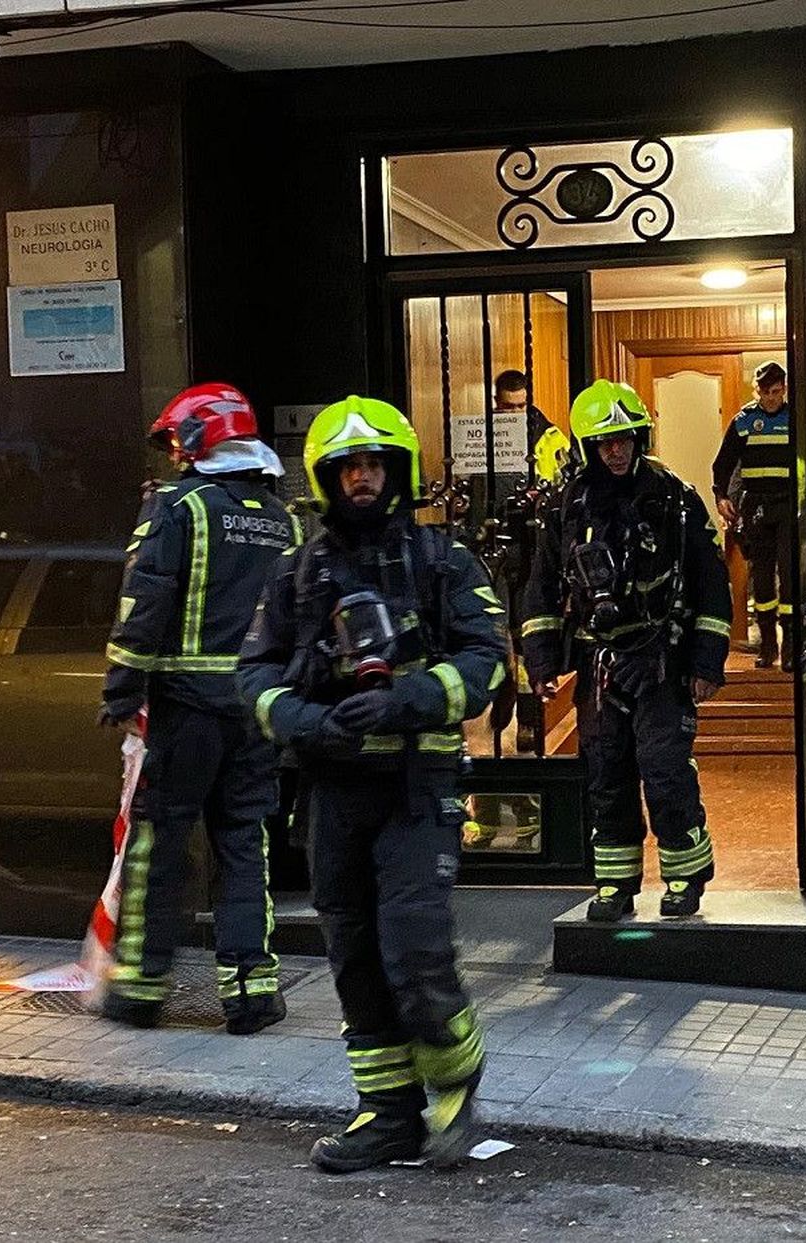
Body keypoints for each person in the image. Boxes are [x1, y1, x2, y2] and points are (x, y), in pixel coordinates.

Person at [238, 396, 509, 1171]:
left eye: (375, 464)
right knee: (353, 958)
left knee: (415, 951)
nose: (362, 477)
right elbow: (253, 674)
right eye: (349, 466)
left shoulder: (443, 560)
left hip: (416, 788)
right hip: (332, 792)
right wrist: (303, 721)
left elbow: (487, 658)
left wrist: (410, 697)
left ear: (398, 472)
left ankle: (454, 1086)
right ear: (326, 477)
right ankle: (387, 1114)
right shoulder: (294, 574)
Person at [98, 382, 297, 1035]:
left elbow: (144, 601)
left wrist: (122, 688)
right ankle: (251, 994)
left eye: (177, 444)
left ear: (198, 438)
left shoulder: (178, 507)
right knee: (245, 844)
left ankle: (141, 988)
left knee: (160, 845)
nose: (173, 457)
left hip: (185, 710)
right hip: (256, 712)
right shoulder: (283, 518)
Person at [519, 379, 732, 921]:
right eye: (605, 442)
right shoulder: (566, 506)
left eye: (625, 439)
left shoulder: (676, 499)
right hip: (600, 664)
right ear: (588, 446)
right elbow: (541, 584)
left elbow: (711, 583)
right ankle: (615, 885)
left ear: (639, 438)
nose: (617, 451)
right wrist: (542, 660)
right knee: (607, 773)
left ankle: (685, 877)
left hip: (664, 658)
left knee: (665, 770)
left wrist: (707, 663)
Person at [711, 361, 794, 670]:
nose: (770, 398)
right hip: (756, 506)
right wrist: (720, 497)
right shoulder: (745, 420)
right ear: (756, 390)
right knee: (761, 579)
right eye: (764, 392)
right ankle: (768, 647)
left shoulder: (793, 417)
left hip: (786, 504)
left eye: (775, 392)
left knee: (788, 576)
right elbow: (722, 465)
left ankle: (790, 649)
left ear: (784, 389)